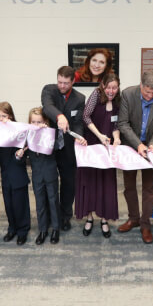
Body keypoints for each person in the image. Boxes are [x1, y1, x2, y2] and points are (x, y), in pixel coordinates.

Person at [117, 71, 153, 244]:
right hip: (131, 146)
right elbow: (123, 123)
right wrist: (138, 144)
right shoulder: (127, 94)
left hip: (151, 149)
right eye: (147, 92)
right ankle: (133, 218)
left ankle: (145, 224)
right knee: (129, 186)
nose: (150, 96)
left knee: (149, 189)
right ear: (141, 86)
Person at [41, 66, 87, 231]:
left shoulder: (80, 98)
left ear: (73, 81)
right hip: (50, 148)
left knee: (69, 184)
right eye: (59, 81)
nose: (61, 85)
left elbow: (78, 122)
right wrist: (60, 116)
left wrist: (79, 137)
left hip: (68, 148)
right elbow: (47, 107)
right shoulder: (49, 90)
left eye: (66, 83)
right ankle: (48, 215)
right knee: (49, 183)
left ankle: (65, 215)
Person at [77, 73, 121, 238]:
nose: (111, 91)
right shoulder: (96, 94)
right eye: (108, 87)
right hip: (92, 144)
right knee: (89, 182)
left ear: (118, 87)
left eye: (114, 87)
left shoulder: (118, 100)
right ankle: (89, 218)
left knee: (106, 184)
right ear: (103, 86)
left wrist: (116, 138)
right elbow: (86, 117)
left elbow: (116, 124)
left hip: (107, 148)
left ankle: (104, 219)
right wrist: (100, 135)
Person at [0, 102, 30, 245]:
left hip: (18, 176)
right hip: (5, 177)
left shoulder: (19, 130)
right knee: (9, 206)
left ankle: (23, 231)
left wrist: (19, 155)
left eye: (3, 116)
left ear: (10, 116)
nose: (0, 119)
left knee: (20, 206)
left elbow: (24, 155)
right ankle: (12, 228)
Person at [27, 107, 61, 245]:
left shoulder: (51, 133)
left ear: (45, 121)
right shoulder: (28, 134)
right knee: (40, 202)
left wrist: (45, 133)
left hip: (50, 172)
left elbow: (59, 146)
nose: (36, 124)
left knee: (53, 201)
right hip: (36, 174)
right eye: (33, 122)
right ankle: (43, 229)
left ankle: (56, 228)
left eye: (39, 122)